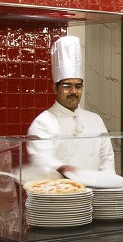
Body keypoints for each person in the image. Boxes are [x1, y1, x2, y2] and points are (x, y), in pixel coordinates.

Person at [26, 36, 115, 178]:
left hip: (96, 189)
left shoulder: (95, 120)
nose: (74, 91)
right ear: (55, 88)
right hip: (60, 190)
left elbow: (107, 157)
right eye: (67, 86)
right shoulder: (42, 123)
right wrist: (61, 167)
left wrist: (109, 181)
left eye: (78, 86)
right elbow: (41, 159)